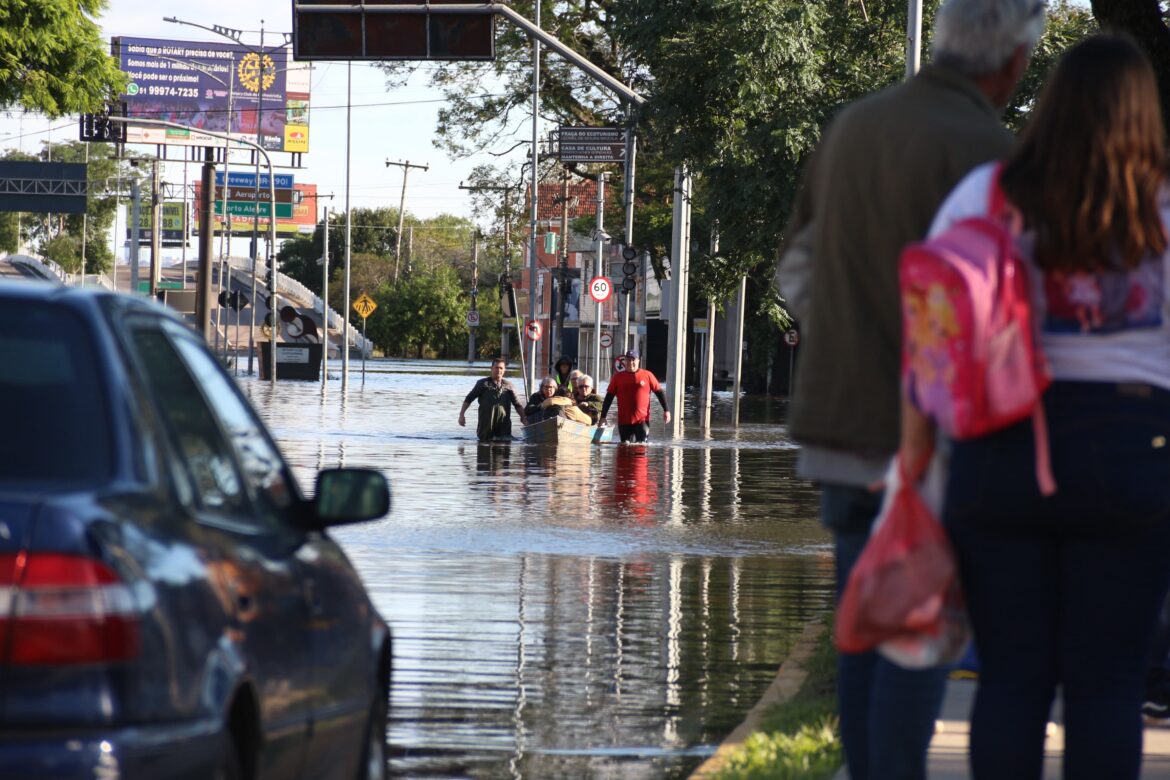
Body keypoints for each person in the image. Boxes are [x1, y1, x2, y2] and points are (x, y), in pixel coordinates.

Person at [777, 1, 1042, 777]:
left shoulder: (852, 126)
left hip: (835, 421)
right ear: (1017, 59)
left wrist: (849, 338)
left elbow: (797, 267)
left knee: (865, 618)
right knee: (919, 629)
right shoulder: (994, 155)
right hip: (939, 437)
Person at [898, 34, 1170, 779]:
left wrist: (915, 461)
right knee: (1109, 683)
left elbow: (927, 341)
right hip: (1133, 453)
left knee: (1013, 680)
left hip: (1000, 450)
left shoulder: (986, 196)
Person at [598, 350, 671, 443]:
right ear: (625, 361)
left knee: (641, 446)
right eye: (628, 360)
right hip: (624, 421)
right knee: (625, 446)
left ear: (638, 361)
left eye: (633, 360)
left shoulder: (647, 375)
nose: (630, 362)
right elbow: (609, 397)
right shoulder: (618, 377)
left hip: (642, 420)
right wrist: (603, 417)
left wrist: (666, 410)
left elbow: (659, 392)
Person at [458, 358, 526, 441]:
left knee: (504, 448)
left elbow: (517, 404)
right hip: (485, 429)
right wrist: (461, 415)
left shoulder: (509, 386)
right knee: (485, 449)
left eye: (501, 368)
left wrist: (523, 418)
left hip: (503, 429)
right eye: (496, 367)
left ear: (504, 370)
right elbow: (469, 399)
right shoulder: (482, 384)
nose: (498, 370)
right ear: (491, 368)